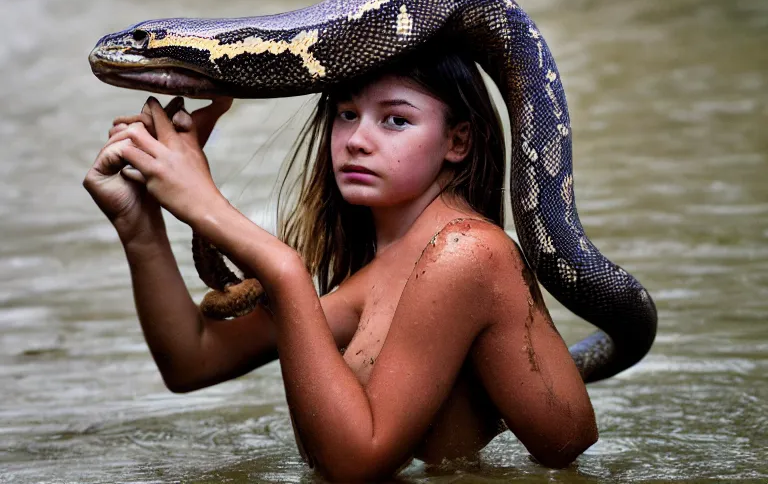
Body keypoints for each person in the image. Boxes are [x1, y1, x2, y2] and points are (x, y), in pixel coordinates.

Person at [83, 47, 598, 482]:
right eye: (346, 114)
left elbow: (356, 463)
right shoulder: (381, 272)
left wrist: (277, 264)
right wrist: (139, 223)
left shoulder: (467, 253)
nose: (356, 140)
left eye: (396, 120)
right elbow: (192, 359)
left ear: (457, 142)